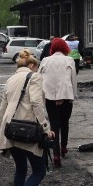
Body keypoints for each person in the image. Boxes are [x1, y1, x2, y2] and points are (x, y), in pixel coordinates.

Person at [0, 49, 55, 186]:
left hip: (10, 129)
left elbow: (1, 111)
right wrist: (46, 128)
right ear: (32, 65)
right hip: (28, 129)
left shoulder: (10, 79)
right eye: (36, 68)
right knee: (39, 170)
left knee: (20, 168)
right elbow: (36, 103)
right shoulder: (34, 77)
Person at [38, 38, 77, 169]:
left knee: (54, 125)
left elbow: (38, 78)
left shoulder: (45, 60)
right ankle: (64, 147)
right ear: (65, 48)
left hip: (50, 97)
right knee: (65, 122)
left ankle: (55, 154)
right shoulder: (69, 60)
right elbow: (73, 80)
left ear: (52, 48)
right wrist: (73, 96)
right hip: (66, 96)